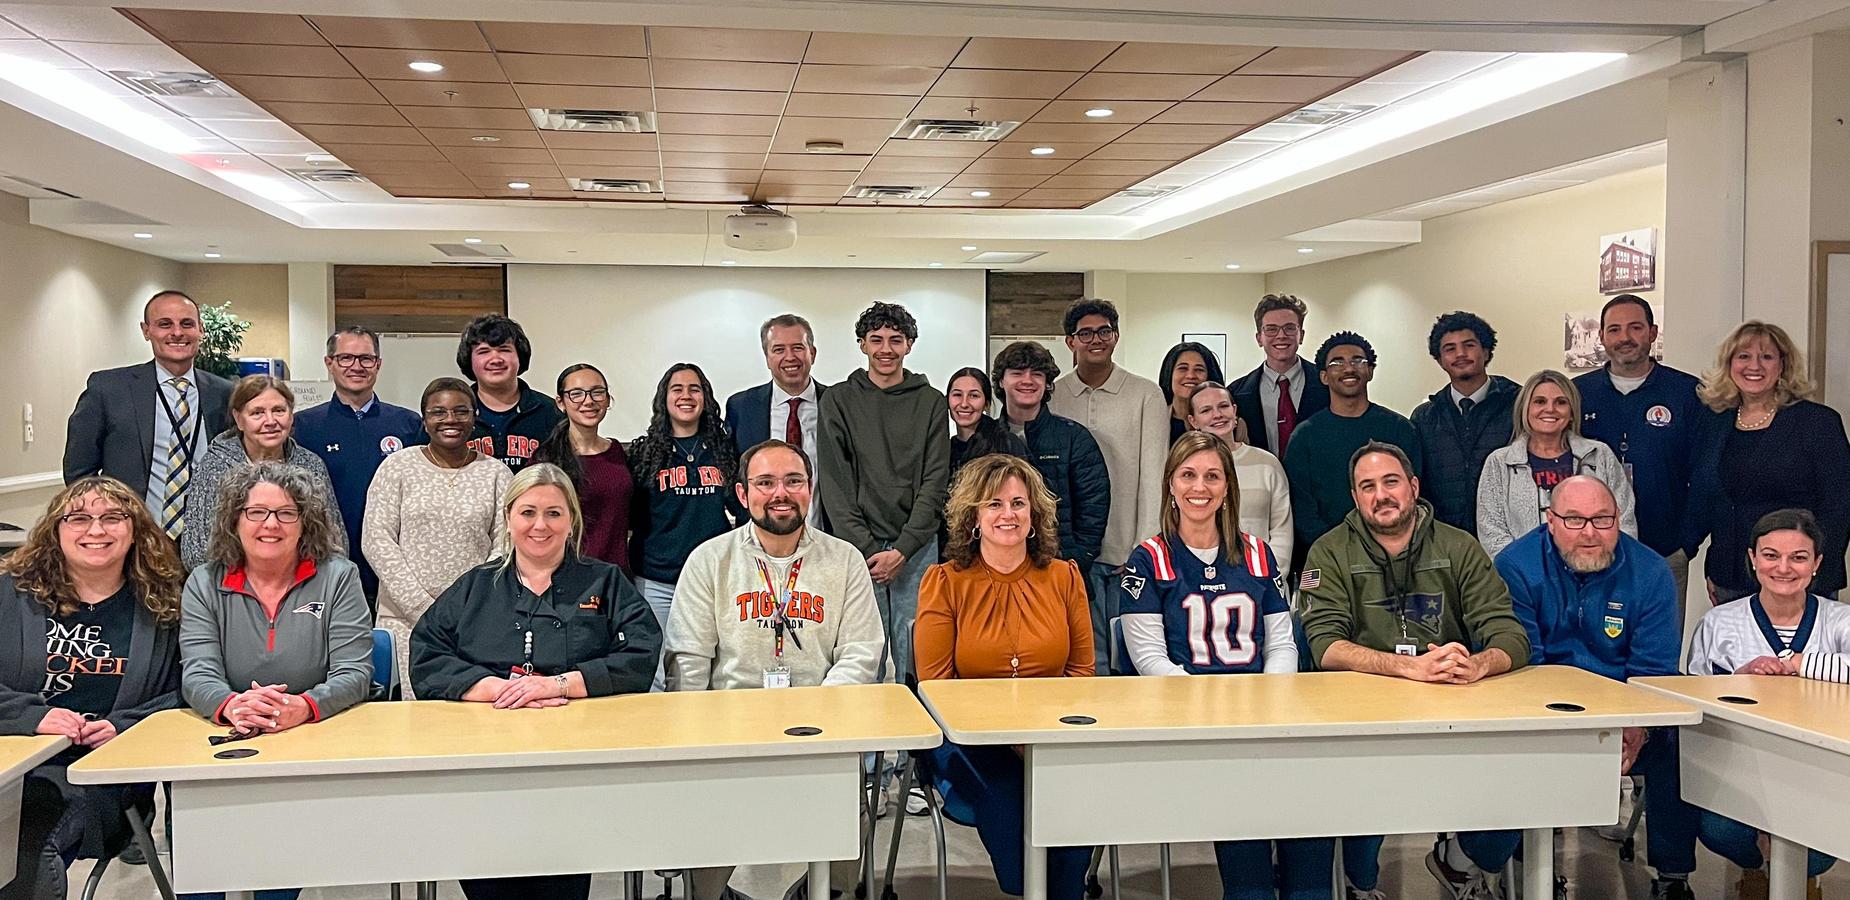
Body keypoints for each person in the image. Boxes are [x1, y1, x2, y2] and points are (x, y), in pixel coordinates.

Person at [411, 463, 659, 900]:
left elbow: (641, 653)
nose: (540, 525)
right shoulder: (476, 586)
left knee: (560, 873)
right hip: (486, 765)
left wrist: (558, 685)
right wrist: (494, 689)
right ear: (508, 519)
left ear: (572, 522)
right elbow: (426, 653)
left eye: (553, 513)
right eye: (527, 512)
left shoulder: (604, 580)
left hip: (575, 765)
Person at [1298, 441, 1531, 900]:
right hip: (1363, 715)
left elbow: (1511, 636)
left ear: (1414, 487)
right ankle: (1360, 883)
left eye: (1391, 482)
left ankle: (1461, 862)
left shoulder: (1459, 546)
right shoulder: (1329, 551)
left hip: (1454, 707)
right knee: (1369, 788)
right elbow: (1325, 646)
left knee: (1521, 779)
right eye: (1368, 487)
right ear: (1355, 496)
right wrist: (1408, 668)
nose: (1381, 495)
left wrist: (1477, 663)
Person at [666, 440, 885, 900]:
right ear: (743, 495)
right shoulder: (710, 560)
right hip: (729, 730)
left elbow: (863, 652)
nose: (780, 493)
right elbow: (688, 658)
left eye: (793, 481)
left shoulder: (844, 560)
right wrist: (698, 736)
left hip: (820, 727)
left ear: (810, 489)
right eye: (765, 483)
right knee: (703, 815)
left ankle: (827, 892)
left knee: (847, 809)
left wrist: (817, 714)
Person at [1120, 433, 1326, 900]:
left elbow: (1281, 642)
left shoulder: (1256, 553)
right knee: (1244, 795)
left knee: (1312, 797)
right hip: (1191, 719)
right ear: (1170, 485)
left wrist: (1268, 703)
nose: (1200, 486)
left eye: (1213, 475)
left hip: (1261, 712)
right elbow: (1150, 659)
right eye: (1188, 475)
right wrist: (1213, 709)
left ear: (1228, 486)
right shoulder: (1148, 559)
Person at [1489, 476, 1696, 900]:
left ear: (1619, 519)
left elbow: (1654, 670)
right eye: (1574, 519)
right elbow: (1528, 662)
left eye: (1602, 519)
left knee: (1679, 741)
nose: (1589, 532)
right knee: (1508, 743)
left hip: (1627, 709)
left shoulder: (1651, 571)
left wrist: (1636, 728)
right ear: (1550, 521)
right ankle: (1530, 868)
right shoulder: (1516, 565)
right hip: (1544, 710)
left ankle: (1673, 876)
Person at [916, 454, 1093, 900]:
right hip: (970, 740)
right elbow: (936, 687)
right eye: (994, 504)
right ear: (973, 516)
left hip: (1054, 735)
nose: (1007, 515)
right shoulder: (945, 582)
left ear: (1035, 516)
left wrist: (1039, 733)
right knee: (1009, 800)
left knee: (1077, 796)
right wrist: (1007, 733)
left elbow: (1081, 673)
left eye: (1018, 503)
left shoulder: (1065, 578)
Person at [0, 477, 182, 900]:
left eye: (112, 518)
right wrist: (34, 717)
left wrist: (123, 726)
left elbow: (184, 694)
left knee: (23, 855)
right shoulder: (12, 594)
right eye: (79, 518)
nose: (95, 530)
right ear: (56, 529)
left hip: (95, 776)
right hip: (12, 764)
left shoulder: (164, 604)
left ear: (135, 529)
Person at [1686, 508, 1847, 898]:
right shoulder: (1720, 624)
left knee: (1820, 851)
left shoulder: (1839, 621)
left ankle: (1796, 877)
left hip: (1820, 771)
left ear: (1817, 564)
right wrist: (1739, 677)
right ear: (1753, 558)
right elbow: (1693, 699)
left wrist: (1798, 663)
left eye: (1798, 557)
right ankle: (1758, 868)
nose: (1784, 568)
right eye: (1771, 555)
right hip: (1740, 766)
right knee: (1719, 829)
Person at [180, 461, 371, 735]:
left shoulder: (339, 577)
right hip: (237, 728)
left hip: (324, 727)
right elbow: (199, 674)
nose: (271, 524)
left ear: (306, 523)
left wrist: (305, 705)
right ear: (233, 521)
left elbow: (354, 672)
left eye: (286, 513)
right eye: (256, 513)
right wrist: (233, 706)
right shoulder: (203, 583)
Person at [819, 301, 950, 680]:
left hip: (918, 548)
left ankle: (922, 741)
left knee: (917, 660)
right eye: (876, 340)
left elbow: (935, 481)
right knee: (862, 660)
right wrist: (871, 550)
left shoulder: (930, 402)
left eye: (896, 340)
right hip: (858, 550)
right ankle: (867, 741)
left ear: (909, 345)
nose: (886, 349)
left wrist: (903, 549)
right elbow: (835, 484)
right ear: (862, 345)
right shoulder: (839, 400)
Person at [362, 378, 510, 699]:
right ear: (424, 419)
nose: (450, 420)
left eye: (461, 411)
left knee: (468, 715)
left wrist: (467, 611)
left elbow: (504, 547)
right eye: (438, 412)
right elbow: (377, 539)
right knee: (406, 724)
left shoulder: (497, 474)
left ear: (474, 416)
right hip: (404, 621)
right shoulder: (397, 466)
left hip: (473, 624)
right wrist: (424, 609)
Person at [1688, 321, 1850, 603]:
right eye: (1744, 356)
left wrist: (1812, 573)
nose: (1755, 366)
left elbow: (1839, 508)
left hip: (1798, 579)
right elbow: (1708, 499)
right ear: (1729, 364)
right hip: (1731, 576)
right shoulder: (1716, 421)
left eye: (1766, 357)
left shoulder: (1817, 422)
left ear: (1783, 365)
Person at [1048, 298, 1167, 673]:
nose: (1095, 340)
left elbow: (1155, 475)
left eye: (1104, 332)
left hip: (1123, 549)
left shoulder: (1145, 394)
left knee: (1125, 654)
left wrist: (1143, 545)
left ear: (1115, 337)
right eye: (1085, 333)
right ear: (1070, 342)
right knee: (1077, 655)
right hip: (1068, 547)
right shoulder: (1053, 394)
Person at [63, 290, 234, 540]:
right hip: (133, 539)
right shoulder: (109, 389)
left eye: (187, 323)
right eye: (165, 324)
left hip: (207, 541)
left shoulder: (225, 393)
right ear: (146, 331)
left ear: (201, 330)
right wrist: (107, 521)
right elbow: (78, 472)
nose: (177, 332)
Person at [1573, 295, 1705, 608]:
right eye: (1615, 330)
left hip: (1666, 551)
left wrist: (1687, 543)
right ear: (1602, 337)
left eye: (1635, 327)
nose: (1625, 338)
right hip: (1592, 550)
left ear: (1652, 332)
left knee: (1660, 646)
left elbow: (1704, 473)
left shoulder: (1688, 393)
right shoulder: (1578, 393)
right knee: (1592, 649)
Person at [629, 363, 745, 689]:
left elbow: (740, 508)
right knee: (657, 670)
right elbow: (633, 516)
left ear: (705, 397)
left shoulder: (724, 450)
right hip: (656, 579)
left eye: (694, 389)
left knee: (708, 667)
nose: (686, 395)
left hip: (713, 580)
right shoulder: (643, 453)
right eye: (676, 389)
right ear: (663, 399)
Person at [294, 326, 422, 603]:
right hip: (324, 569)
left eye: (366, 359)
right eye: (346, 358)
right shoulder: (302, 427)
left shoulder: (409, 425)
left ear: (378, 364)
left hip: (395, 571)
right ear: (330, 363)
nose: (357, 366)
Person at [179, 376, 345, 571]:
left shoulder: (311, 466)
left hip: (303, 589)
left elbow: (334, 543)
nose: (270, 421)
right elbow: (195, 551)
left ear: (291, 416)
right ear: (239, 419)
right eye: (257, 413)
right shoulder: (215, 468)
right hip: (229, 592)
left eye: (279, 411)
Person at [1283, 332, 1421, 554]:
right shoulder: (1304, 437)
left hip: (1398, 553)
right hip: (1330, 556)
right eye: (1337, 362)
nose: (1348, 368)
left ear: (1370, 371)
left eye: (1358, 360)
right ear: (1324, 377)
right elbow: (1302, 509)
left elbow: (1415, 496)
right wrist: (1338, 550)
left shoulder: (1400, 429)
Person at [1476, 370, 1637, 559]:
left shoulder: (1599, 455)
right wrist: (1526, 572)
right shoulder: (1499, 463)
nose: (1550, 409)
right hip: (1525, 581)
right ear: (1525, 409)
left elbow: (1624, 519)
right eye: (1540, 401)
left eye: (1561, 402)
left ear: (1571, 412)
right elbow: (1491, 532)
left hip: (1596, 574)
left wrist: (1602, 568)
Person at [993, 341, 1110, 576]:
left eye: (1037, 374)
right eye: (1017, 373)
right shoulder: (986, 439)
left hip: (1061, 568)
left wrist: (1078, 559)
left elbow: (1094, 506)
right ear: (1001, 381)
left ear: (1047, 384)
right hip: (997, 568)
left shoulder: (1073, 437)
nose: (1027, 380)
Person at [1411, 311, 1521, 535]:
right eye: (1449, 348)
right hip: (1444, 543)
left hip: (1508, 538)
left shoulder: (1519, 406)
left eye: (1469, 345)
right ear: (1440, 360)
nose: (1460, 354)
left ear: (1486, 351)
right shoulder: (1424, 418)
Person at [725, 314, 832, 529]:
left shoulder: (837, 403)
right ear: (767, 357)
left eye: (798, 348)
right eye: (779, 349)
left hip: (828, 538)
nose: (790, 357)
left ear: (812, 353)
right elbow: (730, 471)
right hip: (761, 537)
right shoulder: (742, 407)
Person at [536, 364, 634, 572]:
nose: (588, 401)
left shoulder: (618, 452)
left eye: (597, 392)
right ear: (561, 403)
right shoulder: (546, 459)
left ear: (608, 400)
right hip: (564, 577)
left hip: (616, 576)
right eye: (576, 394)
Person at [1187, 381, 1293, 568]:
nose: (1217, 415)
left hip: (1261, 581)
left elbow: (1281, 531)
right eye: (1206, 410)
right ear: (1193, 421)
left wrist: (1269, 577)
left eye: (1223, 406)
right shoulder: (1185, 469)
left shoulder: (1267, 463)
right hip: (1200, 583)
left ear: (1234, 411)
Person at [457, 313, 563, 473]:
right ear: (469, 360)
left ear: (520, 357)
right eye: (483, 351)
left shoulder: (550, 412)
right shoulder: (453, 413)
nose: (495, 359)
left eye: (504, 349)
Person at [1230, 293, 1328, 457]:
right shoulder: (1236, 394)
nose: (1281, 335)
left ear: (1301, 335)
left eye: (1289, 328)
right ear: (1259, 338)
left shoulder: (1327, 384)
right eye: (1271, 329)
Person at [947, 367, 1029, 475]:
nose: (964, 404)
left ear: (987, 404)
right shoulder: (945, 449)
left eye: (974, 395)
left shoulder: (1006, 443)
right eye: (957, 395)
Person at [1159, 341, 1226, 445]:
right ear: (1169, 374)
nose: (1190, 376)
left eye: (1199, 370)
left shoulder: (1229, 423)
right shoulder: (1153, 421)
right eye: (1183, 368)